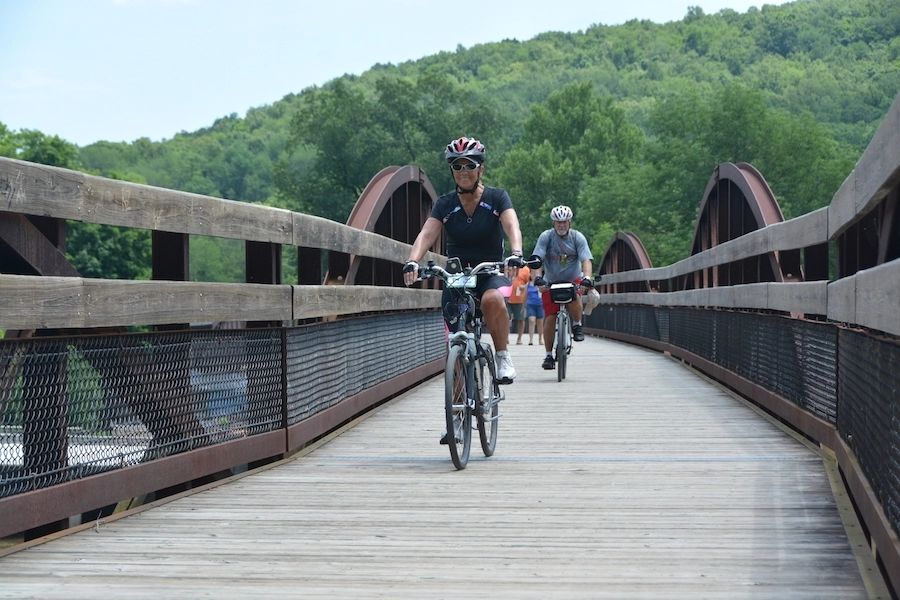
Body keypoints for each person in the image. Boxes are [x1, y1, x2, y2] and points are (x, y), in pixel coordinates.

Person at [403, 136, 525, 387]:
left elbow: (511, 224)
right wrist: (413, 261)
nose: (463, 172)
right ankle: (457, 418)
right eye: (457, 166)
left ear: (481, 168)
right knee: (455, 345)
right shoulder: (445, 204)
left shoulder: (497, 198)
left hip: (490, 270)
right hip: (457, 276)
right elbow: (427, 234)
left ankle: (503, 356)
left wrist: (516, 253)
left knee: (492, 299)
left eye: (469, 165)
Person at [531, 205, 594, 370]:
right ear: (554, 223)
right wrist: (537, 278)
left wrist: (586, 278)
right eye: (558, 222)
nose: (561, 225)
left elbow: (586, 260)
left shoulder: (577, 237)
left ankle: (577, 325)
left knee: (575, 298)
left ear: (569, 222)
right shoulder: (546, 237)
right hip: (551, 282)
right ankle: (548, 356)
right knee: (550, 318)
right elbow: (537, 260)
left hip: (572, 279)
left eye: (564, 222)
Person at [506, 263, 530, 345]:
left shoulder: (525, 269)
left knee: (521, 319)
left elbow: (530, 281)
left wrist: (524, 286)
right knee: (506, 319)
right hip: (507, 298)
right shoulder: (508, 267)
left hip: (520, 299)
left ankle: (519, 338)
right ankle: (506, 337)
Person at [525, 271, 544, 346]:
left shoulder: (541, 284)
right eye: (532, 273)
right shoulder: (528, 284)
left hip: (540, 304)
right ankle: (531, 339)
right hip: (530, 304)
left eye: (535, 274)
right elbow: (525, 295)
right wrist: (523, 306)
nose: (533, 275)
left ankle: (540, 338)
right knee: (531, 321)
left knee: (540, 323)